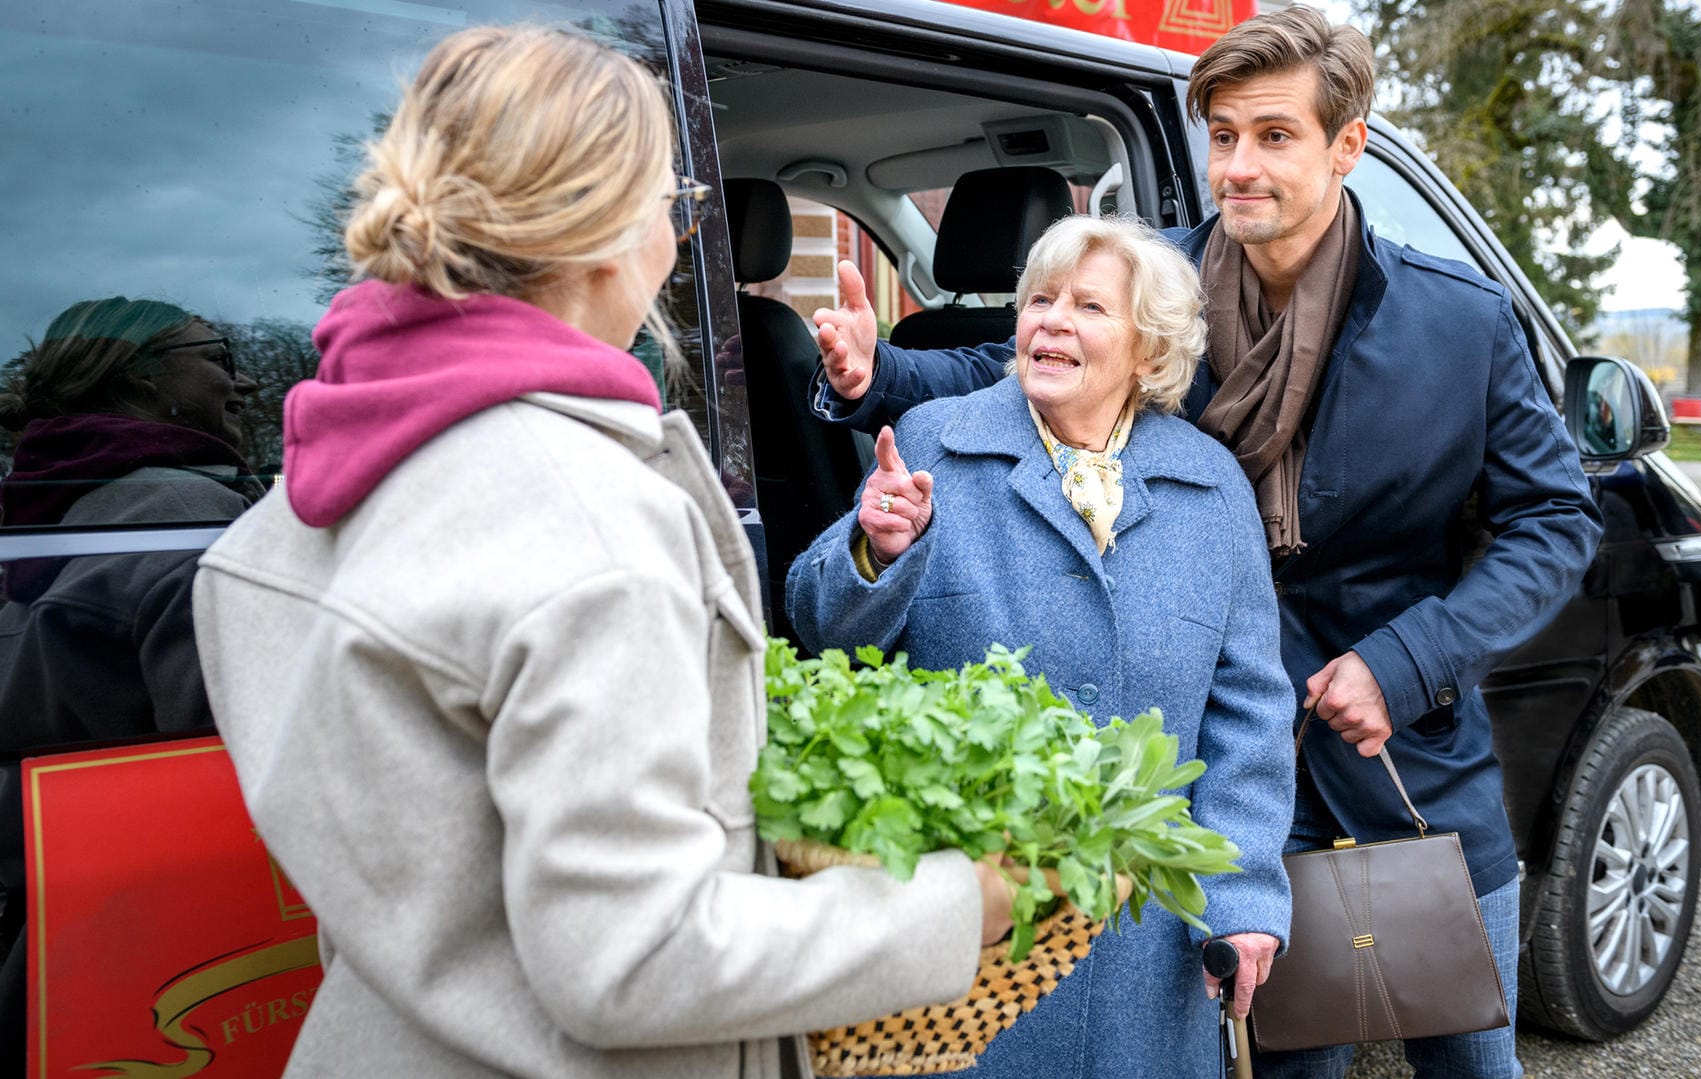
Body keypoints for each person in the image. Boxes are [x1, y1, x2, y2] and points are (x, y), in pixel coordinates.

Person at [190, 25, 1010, 1078]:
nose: (681, 229)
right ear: (610, 232)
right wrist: (954, 906)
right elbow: (637, 956)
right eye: (678, 199)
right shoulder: (592, 524)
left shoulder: (322, 477)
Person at [806, 8, 1603, 1077]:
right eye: (1222, 136)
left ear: (1346, 144)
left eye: (1274, 136)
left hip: (1395, 764)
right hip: (1225, 778)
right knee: (1287, 1065)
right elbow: (1013, 373)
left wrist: (1404, 661)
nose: (1238, 166)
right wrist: (873, 377)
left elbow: (1556, 523)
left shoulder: (1457, 321)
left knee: (1469, 1060)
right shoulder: (1156, 286)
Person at [787, 214, 1294, 1079]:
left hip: (1143, 937)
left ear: (1148, 349)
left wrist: (1244, 895)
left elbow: (1249, 712)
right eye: (1040, 300)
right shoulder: (933, 442)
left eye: (1090, 307)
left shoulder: (1212, 488)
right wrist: (877, 550)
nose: (1053, 321)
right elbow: (822, 628)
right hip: (973, 933)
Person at [0, 297, 265, 1066]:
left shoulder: (60, 510)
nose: (243, 384)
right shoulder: (187, 516)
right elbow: (248, 765)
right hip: (181, 965)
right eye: (217, 355)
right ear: (139, 383)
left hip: (67, 944)